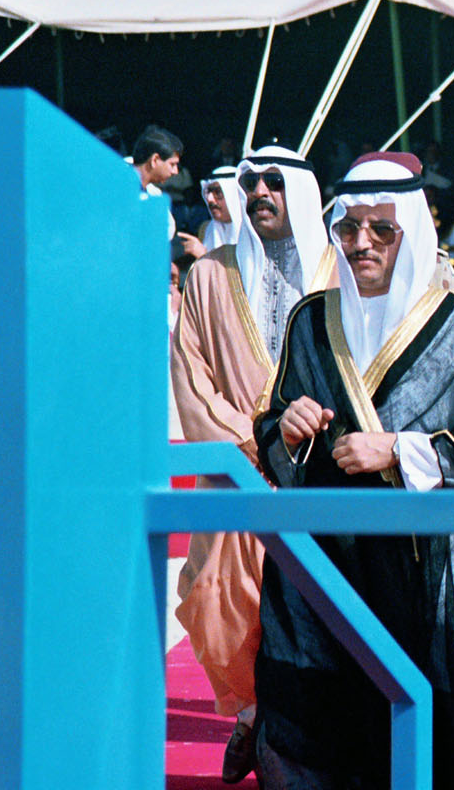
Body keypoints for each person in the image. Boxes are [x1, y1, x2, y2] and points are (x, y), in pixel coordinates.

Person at [253, 152, 454, 789]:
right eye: (348, 229)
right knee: (317, 717)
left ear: (412, 232)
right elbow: (271, 430)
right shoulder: (310, 321)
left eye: (381, 229)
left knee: (420, 720)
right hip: (323, 561)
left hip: (419, 565)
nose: (361, 244)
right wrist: (285, 430)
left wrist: (399, 450)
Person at [171, 145, 336, 783]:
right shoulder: (210, 273)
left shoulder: (338, 269)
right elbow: (192, 376)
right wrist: (253, 443)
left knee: (314, 607)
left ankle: (292, 736)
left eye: (273, 181)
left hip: (319, 468)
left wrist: (305, 438)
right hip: (237, 472)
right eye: (250, 182)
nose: (260, 192)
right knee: (214, 603)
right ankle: (250, 714)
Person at [200, 163, 245, 252]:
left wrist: (202, 256)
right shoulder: (206, 229)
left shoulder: (253, 232)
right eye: (208, 192)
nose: (210, 199)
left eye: (218, 192)